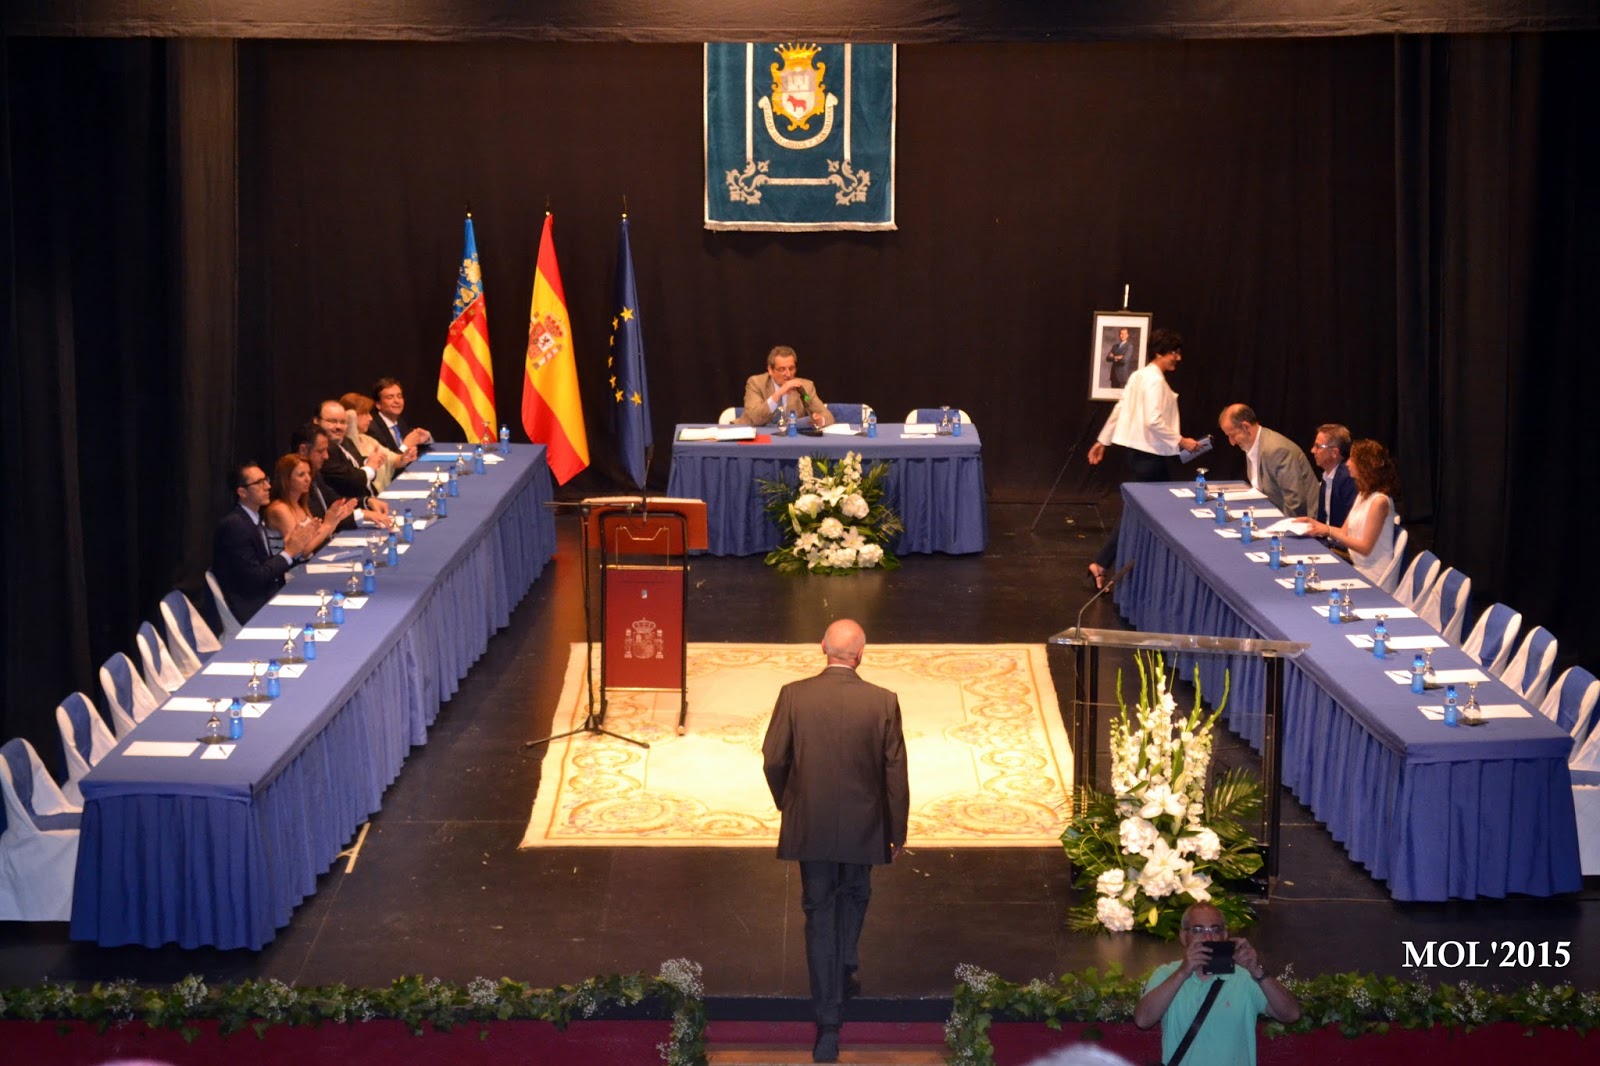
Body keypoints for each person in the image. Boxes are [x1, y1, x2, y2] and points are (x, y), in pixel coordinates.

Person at [761, 619, 908, 1063]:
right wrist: (896, 830)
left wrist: (790, 803)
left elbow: (773, 760)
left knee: (819, 913)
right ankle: (843, 968)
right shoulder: (883, 701)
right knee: (856, 894)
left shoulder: (794, 695)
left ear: (822, 646)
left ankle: (828, 1023)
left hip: (812, 823)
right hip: (865, 826)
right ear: (861, 654)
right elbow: (895, 773)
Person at [1087, 328, 1201, 588]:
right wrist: (1181, 440)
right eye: (1174, 353)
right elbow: (1153, 421)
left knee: (1142, 510)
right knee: (1147, 511)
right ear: (1160, 353)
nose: (1178, 358)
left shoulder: (1139, 376)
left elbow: (1120, 409)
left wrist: (1103, 441)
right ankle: (1111, 563)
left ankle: (1108, 563)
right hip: (1149, 456)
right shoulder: (1154, 381)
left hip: (1139, 455)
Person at [1134, 902, 1300, 1066]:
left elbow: (1291, 1014)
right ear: (1184, 937)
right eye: (1198, 930)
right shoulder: (1167, 974)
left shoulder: (1244, 976)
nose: (1207, 938)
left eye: (1215, 930)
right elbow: (1142, 1020)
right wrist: (1183, 972)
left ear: (1225, 935)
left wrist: (1257, 970)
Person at [210, 462, 323, 624]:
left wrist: (295, 549)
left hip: (271, 593)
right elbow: (255, 578)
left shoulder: (253, 519)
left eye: (266, 480)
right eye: (259, 483)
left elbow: (268, 566)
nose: (268, 486)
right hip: (253, 607)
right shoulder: (235, 526)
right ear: (242, 492)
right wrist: (289, 552)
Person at [1293, 438, 1400, 585]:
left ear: (1364, 465)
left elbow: (1365, 548)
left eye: (1352, 459)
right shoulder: (1363, 494)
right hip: (1357, 566)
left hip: (1374, 576)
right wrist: (1315, 525)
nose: (1348, 463)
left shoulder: (1379, 502)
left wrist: (1328, 531)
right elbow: (1344, 532)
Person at [1216, 404, 1319, 519]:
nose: (1232, 442)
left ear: (1246, 427)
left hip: (1301, 520)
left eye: (1232, 435)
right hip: (1273, 512)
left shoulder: (1276, 450)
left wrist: (1282, 528)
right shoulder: (1251, 444)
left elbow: (1295, 503)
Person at [264, 453, 352, 558]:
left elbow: (316, 538)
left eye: (309, 473)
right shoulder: (279, 509)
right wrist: (327, 524)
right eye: (301, 475)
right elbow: (301, 552)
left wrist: (335, 519)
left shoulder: (300, 504)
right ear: (286, 479)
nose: (308, 479)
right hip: (292, 567)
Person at [736, 345, 834, 428]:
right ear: (770, 370)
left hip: (788, 437)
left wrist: (820, 420)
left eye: (791, 368)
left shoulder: (805, 387)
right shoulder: (756, 383)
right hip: (753, 433)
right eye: (782, 369)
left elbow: (828, 416)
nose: (788, 374)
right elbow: (756, 418)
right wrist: (779, 393)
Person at [341, 391, 414, 493]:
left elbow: (392, 460)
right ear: (352, 416)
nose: (370, 418)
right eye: (365, 413)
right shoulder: (345, 446)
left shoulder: (367, 439)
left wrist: (404, 458)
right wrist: (350, 421)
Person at [317, 399, 386, 503]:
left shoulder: (346, 441)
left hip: (370, 501)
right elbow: (350, 481)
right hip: (352, 506)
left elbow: (358, 466)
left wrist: (371, 461)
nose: (339, 427)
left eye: (343, 422)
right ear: (316, 421)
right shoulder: (322, 450)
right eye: (332, 421)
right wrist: (371, 466)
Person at [1310, 422, 1357, 532]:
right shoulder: (1327, 476)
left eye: (1318, 447)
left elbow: (1351, 526)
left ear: (1334, 452)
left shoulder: (1348, 479)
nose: (1312, 450)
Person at [372, 377, 434, 454]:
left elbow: (415, 448)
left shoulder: (400, 422)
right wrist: (405, 446)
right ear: (378, 404)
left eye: (399, 396)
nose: (397, 401)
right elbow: (386, 460)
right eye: (390, 397)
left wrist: (426, 438)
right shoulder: (373, 429)